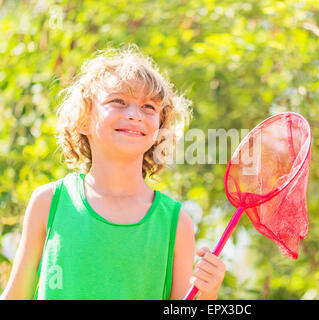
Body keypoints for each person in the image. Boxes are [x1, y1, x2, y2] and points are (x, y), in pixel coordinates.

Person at [0, 45, 226, 300]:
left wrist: (208, 295)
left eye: (149, 107)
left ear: (159, 130)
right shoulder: (49, 202)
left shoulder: (176, 222)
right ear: (83, 120)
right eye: (118, 101)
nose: (134, 115)